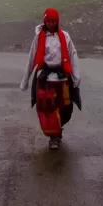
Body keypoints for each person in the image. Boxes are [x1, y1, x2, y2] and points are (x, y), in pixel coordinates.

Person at [20, 8, 81, 148]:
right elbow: (32, 57)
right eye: (48, 21)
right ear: (44, 21)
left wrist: (76, 77)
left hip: (62, 78)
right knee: (48, 110)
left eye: (53, 21)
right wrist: (25, 80)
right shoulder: (38, 38)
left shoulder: (65, 36)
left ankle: (59, 128)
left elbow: (73, 56)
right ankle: (54, 137)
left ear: (57, 21)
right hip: (45, 79)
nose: (51, 24)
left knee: (66, 109)